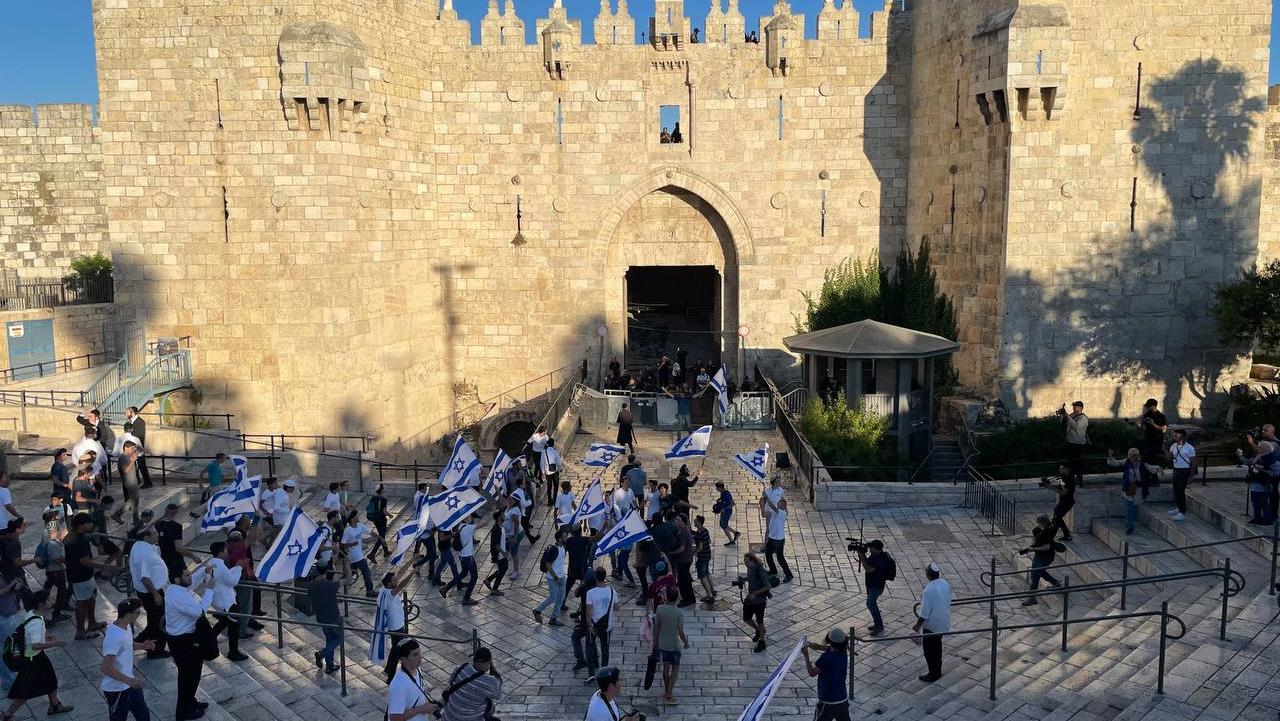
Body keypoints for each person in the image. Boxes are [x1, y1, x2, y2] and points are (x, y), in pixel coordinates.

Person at [1, 589, 73, 719]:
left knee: (51, 680)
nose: (51, 601)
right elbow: (34, 645)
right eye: (49, 599)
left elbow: (29, 630)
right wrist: (56, 644)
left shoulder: (33, 613)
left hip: (37, 656)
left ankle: (55, 705)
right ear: (41, 603)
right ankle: (8, 714)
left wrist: (46, 635)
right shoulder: (36, 621)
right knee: (26, 690)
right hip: (33, 658)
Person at [165, 563, 215, 720]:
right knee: (187, 676)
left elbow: (191, 583)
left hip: (188, 638)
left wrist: (203, 571)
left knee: (194, 673)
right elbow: (198, 612)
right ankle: (183, 711)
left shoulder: (178, 588)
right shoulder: (177, 595)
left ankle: (190, 702)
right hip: (182, 641)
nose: (190, 577)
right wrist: (210, 590)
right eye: (186, 575)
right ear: (176, 579)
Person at [101, 598, 156, 721]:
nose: (139, 615)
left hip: (129, 684)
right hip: (117, 689)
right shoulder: (114, 636)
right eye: (137, 612)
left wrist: (142, 646)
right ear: (128, 614)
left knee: (143, 715)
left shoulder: (125, 627)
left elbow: (127, 645)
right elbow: (105, 668)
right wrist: (129, 681)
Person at [64, 513, 110, 640]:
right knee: (82, 602)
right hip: (81, 575)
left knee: (91, 598)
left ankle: (92, 622)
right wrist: (105, 566)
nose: (91, 525)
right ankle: (80, 630)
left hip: (80, 574)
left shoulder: (70, 536)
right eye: (89, 523)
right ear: (82, 525)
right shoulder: (80, 540)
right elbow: (85, 561)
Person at [127, 526, 170, 659]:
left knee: (154, 620)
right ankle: (155, 650)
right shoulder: (145, 553)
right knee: (159, 622)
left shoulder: (139, 546)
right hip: (152, 592)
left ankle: (136, 643)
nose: (158, 535)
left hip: (148, 591)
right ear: (146, 536)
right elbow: (145, 577)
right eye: (155, 533)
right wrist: (156, 594)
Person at [202, 541, 247, 661]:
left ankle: (207, 642)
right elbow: (232, 581)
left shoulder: (212, 563)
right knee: (233, 626)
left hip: (217, 600)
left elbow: (225, 577)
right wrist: (238, 568)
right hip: (226, 602)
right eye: (225, 550)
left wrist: (235, 568)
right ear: (221, 551)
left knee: (224, 623)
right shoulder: (220, 566)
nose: (227, 552)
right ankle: (233, 652)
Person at [440, 647, 502, 721]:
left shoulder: (460, 668)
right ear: (489, 662)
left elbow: (450, 682)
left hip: (448, 716)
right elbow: (497, 696)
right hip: (470, 718)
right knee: (492, 708)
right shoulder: (491, 682)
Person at [913, 563, 951, 683]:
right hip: (944, 621)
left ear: (928, 575)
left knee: (929, 651)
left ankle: (933, 674)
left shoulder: (928, 591)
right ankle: (937, 669)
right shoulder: (945, 584)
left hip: (932, 625)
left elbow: (924, 613)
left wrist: (917, 625)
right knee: (937, 646)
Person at [384, 639, 440, 721]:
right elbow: (395, 718)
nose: (420, 657)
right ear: (404, 660)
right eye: (415, 655)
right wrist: (422, 709)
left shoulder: (417, 669)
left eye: (419, 652)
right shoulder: (399, 685)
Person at [375, 567, 415, 680]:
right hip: (396, 627)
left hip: (396, 625)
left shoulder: (384, 589)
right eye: (393, 581)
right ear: (388, 583)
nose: (395, 581)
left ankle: (388, 670)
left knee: (395, 648)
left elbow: (400, 574)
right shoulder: (389, 593)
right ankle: (391, 675)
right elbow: (401, 585)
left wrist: (412, 560)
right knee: (397, 650)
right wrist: (412, 572)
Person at [802, 628, 850, 721]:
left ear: (829, 640)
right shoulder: (843, 652)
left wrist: (806, 655)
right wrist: (810, 645)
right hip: (842, 700)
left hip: (828, 701)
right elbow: (823, 647)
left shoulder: (826, 658)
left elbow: (812, 673)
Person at [652, 591, 688, 704]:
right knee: (675, 669)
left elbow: (656, 627)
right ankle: (669, 692)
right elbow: (680, 631)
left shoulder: (660, 609)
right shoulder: (679, 613)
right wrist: (686, 642)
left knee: (666, 667)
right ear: (677, 598)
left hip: (663, 644)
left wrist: (654, 642)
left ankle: (667, 691)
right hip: (674, 645)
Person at [36, 509, 70, 626]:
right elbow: (55, 556)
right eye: (55, 517)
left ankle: (41, 601)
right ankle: (57, 614)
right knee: (62, 591)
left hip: (51, 569)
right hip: (56, 568)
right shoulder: (50, 535)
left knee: (48, 584)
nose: (57, 518)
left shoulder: (48, 530)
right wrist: (67, 561)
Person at [304, 570, 342, 674]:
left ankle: (329, 666)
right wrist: (346, 563)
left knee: (330, 640)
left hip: (322, 617)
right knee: (339, 638)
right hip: (333, 617)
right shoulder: (330, 585)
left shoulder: (311, 586)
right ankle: (322, 654)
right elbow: (348, 579)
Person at [1019, 516, 1062, 605]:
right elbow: (1037, 540)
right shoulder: (1038, 530)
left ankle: (1032, 598)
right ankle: (1055, 583)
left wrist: (1033, 549)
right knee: (1038, 571)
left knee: (1035, 575)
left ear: (1043, 523)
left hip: (1046, 556)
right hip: (1039, 556)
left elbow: (1046, 547)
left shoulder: (1048, 533)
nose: (1038, 525)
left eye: (1039, 523)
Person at [856, 540, 894, 635]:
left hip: (876, 586)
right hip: (871, 584)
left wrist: (862, 557)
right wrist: (862, 554)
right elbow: (868, 563)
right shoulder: (875, 556)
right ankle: (877, 624)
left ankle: (879, 626)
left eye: (870, 548)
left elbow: (868, 569)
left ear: (875, 549)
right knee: (872, 604)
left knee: (870, 603)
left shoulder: (881, 560)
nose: (869, 549)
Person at [441, 517, 479, 605]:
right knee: (474, 577)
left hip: (462, 556)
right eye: (468, 516)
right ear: (464, 518)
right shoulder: (468, 528)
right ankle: (466, 598)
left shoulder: (460, 526)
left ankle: (445, 588)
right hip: (468, 557)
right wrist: (492, 511)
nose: (470, 517)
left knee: (464, 573)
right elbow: (484, 524)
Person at [533, 530, 568, 626]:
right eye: (565, 536)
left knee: (560, 598)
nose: (566, 538)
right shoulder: (553, 549)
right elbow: (548, 564)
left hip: (562, 576)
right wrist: (555, 576)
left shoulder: (563, 547)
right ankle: (537, 611)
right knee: (553, 597)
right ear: (560, 539)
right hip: (553, 578)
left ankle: (553, 618)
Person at [341, 509, 379, 597]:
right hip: (355, 556)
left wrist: (380, 538)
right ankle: (369, 591)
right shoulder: (348, 530)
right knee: (366, 572)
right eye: (357, 516)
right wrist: (351, 544)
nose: (358, 517)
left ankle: (336, 586)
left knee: (350, 574)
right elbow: (342, 545)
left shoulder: (360, 526)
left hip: (357, 556)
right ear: (352, 518)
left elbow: (371, 533)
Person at [1107, 448, 1145, 535]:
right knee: (1129, 509)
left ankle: (1130, 524)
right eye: (1132, 456)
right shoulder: (1126, 462)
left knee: (1132, 508)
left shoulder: (1140, 464)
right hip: (1129, 488)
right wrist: (1110, 456)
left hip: (1137, 489)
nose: (1133, 457)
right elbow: (1114, 463)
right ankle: (1130, 526)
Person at [741, 552, 770, 652]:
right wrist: (744, 579)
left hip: (760, 601)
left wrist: (755, 593)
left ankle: (762, 642)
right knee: (746, 618)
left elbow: (767, 586)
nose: (745, 564)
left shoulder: (760, 570)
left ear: (752, 561)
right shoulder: (750, 568)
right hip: (750, 600)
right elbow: (751, 578)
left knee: (760, 622)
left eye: (746, 562)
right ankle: (758, 630)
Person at [1167, 429, 1196, 521]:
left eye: (1177, 435)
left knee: (1180, 490)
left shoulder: (1189, 448)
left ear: (1182, 436)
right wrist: (1165, 449)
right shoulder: (1173, 446)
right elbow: (1168, 458)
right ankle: (1179, 507)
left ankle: (1182, 512)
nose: (1174, 437)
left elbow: (1193, 462)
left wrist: (1191, 476)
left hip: (1184, 471)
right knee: (1175, 490)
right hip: (1176, 470)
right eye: (1174, 435)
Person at [669, 513, 697, 606]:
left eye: (678, 520)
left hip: (684, 560)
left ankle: (687, 599)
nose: (676, 521)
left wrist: (672, 552)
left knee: (683, 581)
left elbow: (682, 548)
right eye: (676, 519)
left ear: (683, 523)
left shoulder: (683, 533)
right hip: (684, 559)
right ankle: (690, 598)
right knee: (685, 580)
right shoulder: (680, 531)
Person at [764, 499, 794, 583]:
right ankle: (774, 571)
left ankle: (788, 574)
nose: (781, 505)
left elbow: (772, 506)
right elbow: (765, 513)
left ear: (785, 507)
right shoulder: (775, 512)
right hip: (773, 538)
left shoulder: (782, 513)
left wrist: (767, 498)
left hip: (777, 539)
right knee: (769, 554)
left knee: (779, 557)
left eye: (783, 504)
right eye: (780, 504)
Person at [113, 441, 142, 525]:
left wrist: (137, 447)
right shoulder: (123, 458)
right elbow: (125, 470)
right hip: (129, 482)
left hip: (133, 481)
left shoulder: (130, 455)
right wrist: (133, 460)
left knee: (134, 500)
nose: (133, 450)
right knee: (133, 500)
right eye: (131, 448)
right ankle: (118, 514)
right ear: (126, 448)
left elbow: (142, 450)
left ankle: (134, 519)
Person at [1061, 401, 1089, 489]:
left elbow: (1076, 427)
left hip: (1078, 444)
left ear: (1081, 408)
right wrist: (1063, 415)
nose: (1074, 408)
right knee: (1071, 463)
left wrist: (1068, 416)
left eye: (1076, 407)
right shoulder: (1073, 415)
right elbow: (1063, 422)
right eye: (1073, 407)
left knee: (1077, 463)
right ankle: (1072, 480)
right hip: (1070, 442)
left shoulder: (1083, 418)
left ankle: (1079, 480)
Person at [124, 407, 152, 488]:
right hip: (133, 448)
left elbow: (140, 436)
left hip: (137, 448)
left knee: (142, 466)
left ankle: (147, 482)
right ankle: (137, 481)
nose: (125, 414)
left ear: (132, 412)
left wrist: (137, 448)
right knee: (135, 466)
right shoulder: (132, 422)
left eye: (127, 412)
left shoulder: (139, 422)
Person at [483, 510, 509, 596]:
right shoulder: (496, 529)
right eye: (502, 514)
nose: (504, 516)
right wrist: (503, 552)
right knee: (503, 569)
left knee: (503, 568)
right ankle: (494, 589)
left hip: (502, 553)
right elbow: (495, 544)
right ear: (499, 517)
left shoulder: (500, 526)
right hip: (499, 554)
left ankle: (488, 580)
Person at [1140, 398, 1169, 469]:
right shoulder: (1147, 414)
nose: (1147, 408)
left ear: (1154, 406)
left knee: (1155, 463)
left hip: (1157, 443)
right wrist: (1141, 424)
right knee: (1146, 462)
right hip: (1147, 442)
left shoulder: (1161, 416)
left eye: (1148, 406)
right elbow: (1143, 427)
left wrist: (1153, 424)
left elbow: (1164, 430)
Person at [366, 484, 391, 563]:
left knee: (381, 535)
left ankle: (386, 551)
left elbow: (368, 507)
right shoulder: (383, 499)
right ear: (382, 490)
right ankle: (372, 554)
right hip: (381, 520)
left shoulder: (373, 497)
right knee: (381, 537)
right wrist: (390, 515)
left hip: (375, 519)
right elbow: (384, 511)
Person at [712, 481, 740, 545]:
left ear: (720, 488)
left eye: (717, 488)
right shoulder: (722, 492)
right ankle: (735, 533)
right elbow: (723, 499)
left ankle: (731, 540)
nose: (716, 489)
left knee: (724, 526)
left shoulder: (727, 494)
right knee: (723, 525)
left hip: (726, 512)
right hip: (724, 512)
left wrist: (725, 508)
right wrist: (719, 499)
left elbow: (733, 504)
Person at [541, 438, 563, 506]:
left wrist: (543, 472)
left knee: (549, 486)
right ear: (553, 444)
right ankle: (554, 500)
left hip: (547, 472)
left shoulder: (543, 452)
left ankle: (549, 501)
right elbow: (558, 462)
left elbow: (542, 462)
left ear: (547, 444)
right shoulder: (555, 452)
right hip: (555, 471)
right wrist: (560, 468)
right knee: (556, 486)